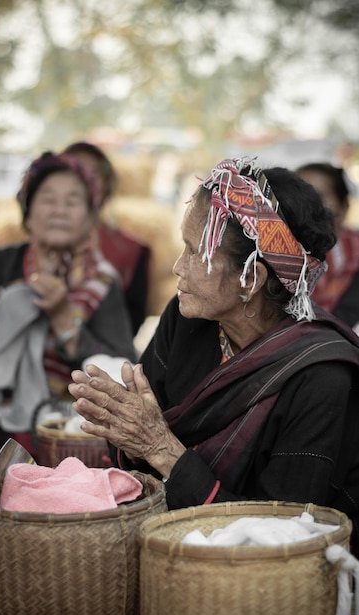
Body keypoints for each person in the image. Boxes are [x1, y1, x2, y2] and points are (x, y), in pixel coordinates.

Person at [69, 157, 359, 557]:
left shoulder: (321, 374)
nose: (177, 267)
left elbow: (285, 536)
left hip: (254, 574)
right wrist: (125, 427)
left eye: (194, 252)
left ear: (251, 278)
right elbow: (139, 462)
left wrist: (162, 449)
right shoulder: (188, 319)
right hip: (169, 531)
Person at [0, 151, 137, 484]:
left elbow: (122, 372)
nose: (59, 209)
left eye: (72, 201)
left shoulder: (102, 284)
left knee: (100, 454)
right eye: (48, 199)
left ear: (91, 220)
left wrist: (63, 320)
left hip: (68, 427)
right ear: (28, 213)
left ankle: (34, 472)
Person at [62, 141, 150, 335]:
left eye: (92, 173)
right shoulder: (26, 252)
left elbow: (131, 325)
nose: (83, 180)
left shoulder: (132, 251)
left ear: (107, 186)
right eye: (72, 171)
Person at [297, 162, 359, 327]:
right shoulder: (276, 256)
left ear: (344, 206)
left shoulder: (354, 253)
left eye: (317, 195)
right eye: (297, 195)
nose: (305, 204)